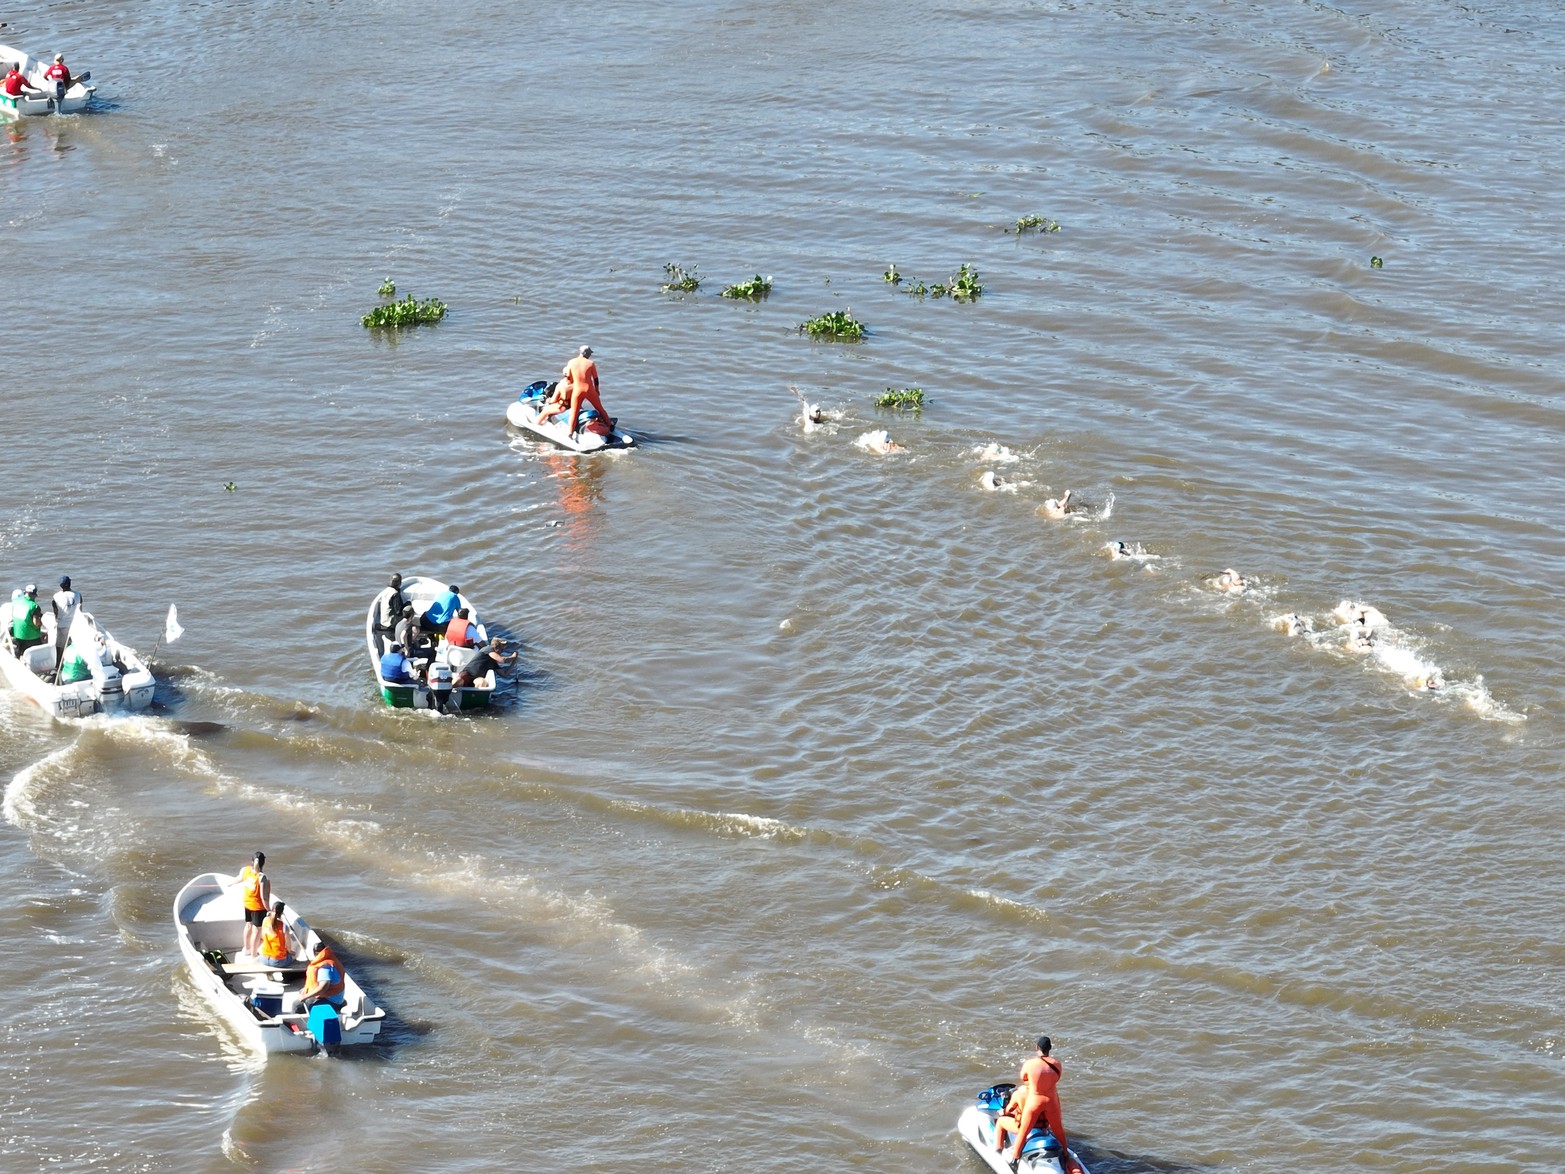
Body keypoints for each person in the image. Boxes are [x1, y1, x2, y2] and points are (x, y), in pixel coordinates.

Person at [995, 1036, 1079, 1172]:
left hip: (1035, 1100)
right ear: (1049, 1048)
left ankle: (1014, 1160)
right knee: (1058, 1129)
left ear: (1037, 1048)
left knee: (1024, 1131)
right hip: (1051, 1100)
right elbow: (1056, 1078)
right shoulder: (1057, 1064)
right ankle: (1065, 1153)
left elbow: (1024, 1077)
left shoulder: (1030, 1064)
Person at [538, 345, 612, 437]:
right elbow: (595, 379)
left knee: (574, 411)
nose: (589, 354)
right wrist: (597, 390)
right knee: (600, 408)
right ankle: (609, 425)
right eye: (589, 353)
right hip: (589, 389)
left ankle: (570, 433)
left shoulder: (571, 362)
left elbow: (569, 376)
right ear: (586, 353)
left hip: (578, 390)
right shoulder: (590, 363)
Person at [233, 852, 271, 959]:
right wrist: (269, 909)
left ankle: (246, 949)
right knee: (257, 930)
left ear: (252, 861)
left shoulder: (245, 870)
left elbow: (238, 879)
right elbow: (264, 897)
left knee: (248, 926)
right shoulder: (262, 877)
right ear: (264, 863)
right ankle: (254, 955)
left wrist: (230, 883)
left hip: (247, 904)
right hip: (258, 908)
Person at [451, 637, 515, 689]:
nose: (502, 652)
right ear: (496, 648)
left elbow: (504, 674)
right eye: (501, 649)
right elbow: (502, 660)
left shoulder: (493, 663)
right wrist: (513, 656)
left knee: (482, 682)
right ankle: (446, 691)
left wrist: (513, 662)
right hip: (468, 674)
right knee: (458, 681)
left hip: (477, 679)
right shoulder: (488, 649)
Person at [299, 942, 347, 1011]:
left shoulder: (324, 967)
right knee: (301, 992)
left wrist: (305, 997)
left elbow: (323, 987)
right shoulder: (330, 960)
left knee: (299, 1007)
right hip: (328, 996)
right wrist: (305, 990)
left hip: (332, 1001)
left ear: (314, 954)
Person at [257, 900, 298, 969]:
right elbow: (288, 947)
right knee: (294, 956)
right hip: (278, 961)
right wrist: (290, 952)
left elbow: (262, 937)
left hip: (264, 958)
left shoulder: (265, 920)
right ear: (281, 913)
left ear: (272, 910)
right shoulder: (284, 926)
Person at [9, 584, 45, 659]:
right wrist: (41, 623)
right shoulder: (34, 606)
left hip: (17, 635)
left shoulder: (16, 602)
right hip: (31, 638)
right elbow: (36, 622)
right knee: (40, 647)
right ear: (34, 595)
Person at [50, 576, 81, 661]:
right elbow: (80, 610)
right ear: (70, 584)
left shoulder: (56, 596)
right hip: (75, 625)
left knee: (60, 647)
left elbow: (55, 611)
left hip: (62, 625)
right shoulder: (78, 594)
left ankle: (58, 664)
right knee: (74, 646)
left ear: (61, 586)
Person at [372, 574, 404, 650]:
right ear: (399, 582)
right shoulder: (395, 594)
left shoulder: (386, 591)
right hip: (390, 624)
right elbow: (398, 611)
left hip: (383, 621)